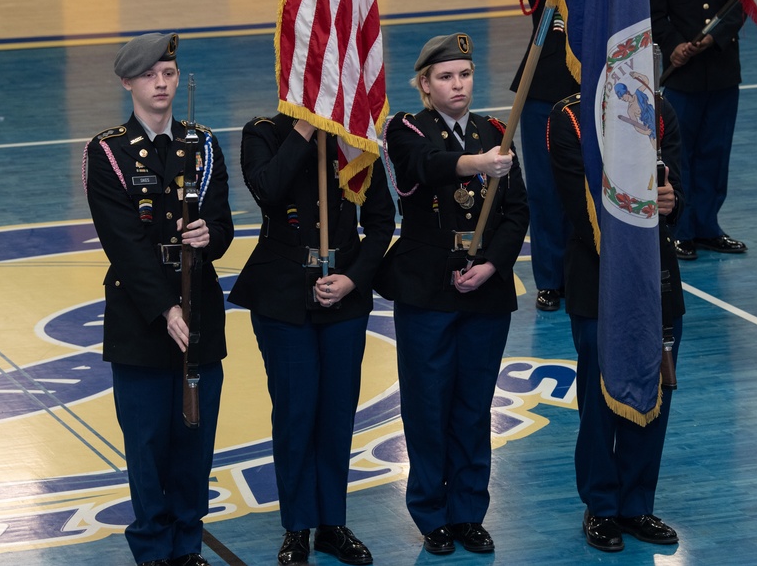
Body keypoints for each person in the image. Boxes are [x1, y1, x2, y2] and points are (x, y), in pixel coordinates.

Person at [83, 33, 234, 566]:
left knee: (195, 439)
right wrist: (166, 308)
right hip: (142, 318)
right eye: (149, 75)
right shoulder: (108, 152)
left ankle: (188, 543)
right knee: (147, 444)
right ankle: (152, 545)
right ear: (128, 82)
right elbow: (123, 245)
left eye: (168, 73)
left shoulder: (204, 142)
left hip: (201, 312)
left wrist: (208, 237)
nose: (162, 83)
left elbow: (224, 224)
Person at [376, 33, 530, 555]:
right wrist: (480, 164)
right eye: (445, 76)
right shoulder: (406, 127)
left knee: (472, 405)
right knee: (427, 403)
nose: (457, 84)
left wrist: (492, 264)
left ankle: (468, 510)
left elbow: (516, 212)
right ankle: (430, 511)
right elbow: (427, 165)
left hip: (484, 290)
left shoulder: (493, 130)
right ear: (424, 84)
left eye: (464, 74)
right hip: (427, 288)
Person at [228, 113, 395, 566]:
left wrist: (352, 280)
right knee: (296, 411)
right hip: (282, 295)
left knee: (337, 413)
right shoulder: (263, 132)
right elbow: (268, 188)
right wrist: (305, 130)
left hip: (344, 292)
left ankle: (332, 524)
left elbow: (381, 222)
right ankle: (297, 527)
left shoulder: (357, 136)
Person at [548, 92, 685, 552]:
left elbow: (679, 188)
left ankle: (636, 504)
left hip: (657, 279)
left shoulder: (659, 111)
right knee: (599, 398)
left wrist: (670, 198)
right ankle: (601, 506)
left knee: (655, 393)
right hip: (599, 280)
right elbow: (577, 205)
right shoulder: (571, 118)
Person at [470, 0, 579, 311]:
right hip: (543, 91)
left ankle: (585, 275)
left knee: (588, 187)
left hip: (596, 90)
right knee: (547, 192)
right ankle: (551, 280)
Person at [648, 0, 748, 261]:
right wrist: (673, 45)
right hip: (683, 77)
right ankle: (682, 228)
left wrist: (714, 37)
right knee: (681, 155)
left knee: (715, 152)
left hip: (721, 71)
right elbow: (655, 12)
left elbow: (740, 6)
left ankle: (708, 227)